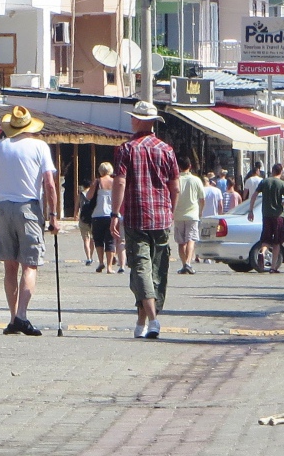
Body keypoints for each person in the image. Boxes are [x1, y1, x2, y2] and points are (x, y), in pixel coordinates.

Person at [0, 106, 60, 336]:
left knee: (9, 266)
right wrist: (53, 215)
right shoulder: (40, 147)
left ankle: (12, 319)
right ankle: (21, 316)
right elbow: (49, 184)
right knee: (29, 264)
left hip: (1, 209)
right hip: (28, 208)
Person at [110, 101, 180, 339]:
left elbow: (120, 182)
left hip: (136, 216)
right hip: (162, 216)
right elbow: (175, 187)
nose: (131, 121)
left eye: (133, 117)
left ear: (140, 121)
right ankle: (142, 323)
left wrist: (114, 213)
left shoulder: (126, 149)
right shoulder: (167, 150)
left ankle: (152, 320)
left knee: (140, 267)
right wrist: (171, 211)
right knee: (158, 270)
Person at [247, 163, 284, 272]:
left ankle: (262, 252)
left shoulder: (264, 182)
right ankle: (273, 267)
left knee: (265, 239)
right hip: (278, 216)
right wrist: (281, 204)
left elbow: (254, 195)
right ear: (281, 172)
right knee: (277, 242)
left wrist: (251, 210)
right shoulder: (282, 184)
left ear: (272, 170)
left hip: (266, 215)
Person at [83, 163, 120, 274]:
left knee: (98, 240)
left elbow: (88, 196)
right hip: (111, 215)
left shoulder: (97, 182)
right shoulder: (115, 182)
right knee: (110, 241)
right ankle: (109, 267)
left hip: (97, 214)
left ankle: (100, 262)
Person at [173, 158, 205, 274]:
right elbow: (202, 198)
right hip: (192, 214)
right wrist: (201, 211)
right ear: (190, 166)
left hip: (178, 214)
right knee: (191, 239)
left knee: (181, 242)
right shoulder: (196, 180)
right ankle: (188, 263)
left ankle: (183, 264)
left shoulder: (177, 180)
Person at [76, 178, 97, 266]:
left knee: (86, 239)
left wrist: (76, 215)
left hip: (83, 218)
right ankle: (91, 256)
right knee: (92, 239)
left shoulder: (80, 195)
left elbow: (77, 207)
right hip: (93, 218)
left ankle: (88, 257)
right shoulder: (93, 194)